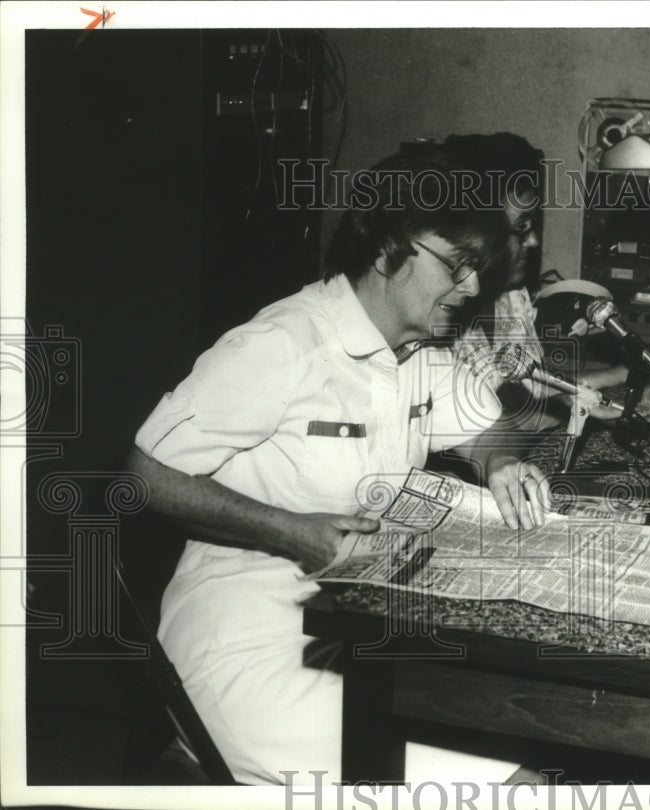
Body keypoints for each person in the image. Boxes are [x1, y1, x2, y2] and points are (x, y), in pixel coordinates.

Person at [126, 151, 552, 785]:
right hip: (248, 637)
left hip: (350, 622)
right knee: (514, 784)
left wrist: (503, 467)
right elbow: (141, 475)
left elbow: (491, 430)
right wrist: (288, 530)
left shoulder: (418, 349)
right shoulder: (284, 344)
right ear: (387, 247)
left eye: (478, 269)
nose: (470, 287)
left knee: (522, 726)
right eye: (457, 265)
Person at [440, 133, 624, 426]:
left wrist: (617, 374)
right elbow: (493, 421)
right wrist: (569, 401)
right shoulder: (439, 312)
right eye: (522, 226)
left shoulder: (508, 296)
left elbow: (529, 390)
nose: (535, 240)